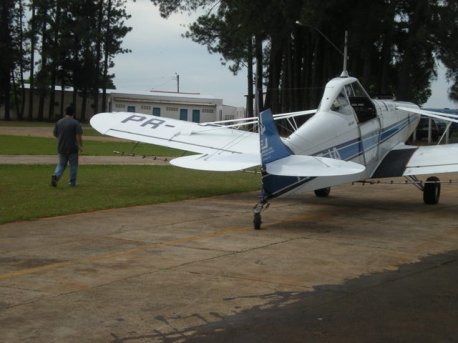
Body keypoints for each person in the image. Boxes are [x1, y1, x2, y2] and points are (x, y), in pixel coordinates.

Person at [51, 105, 83, 187]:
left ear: (65, 112)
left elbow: (55, 134)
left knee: (61, 164)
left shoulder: (59, 122)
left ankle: (56, 176)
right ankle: (72, 182)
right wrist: (80, 146)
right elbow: (78, 136)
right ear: (73, 113)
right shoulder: (76, 123)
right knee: (73, 165)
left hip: (61, 147)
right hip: (72, 147)